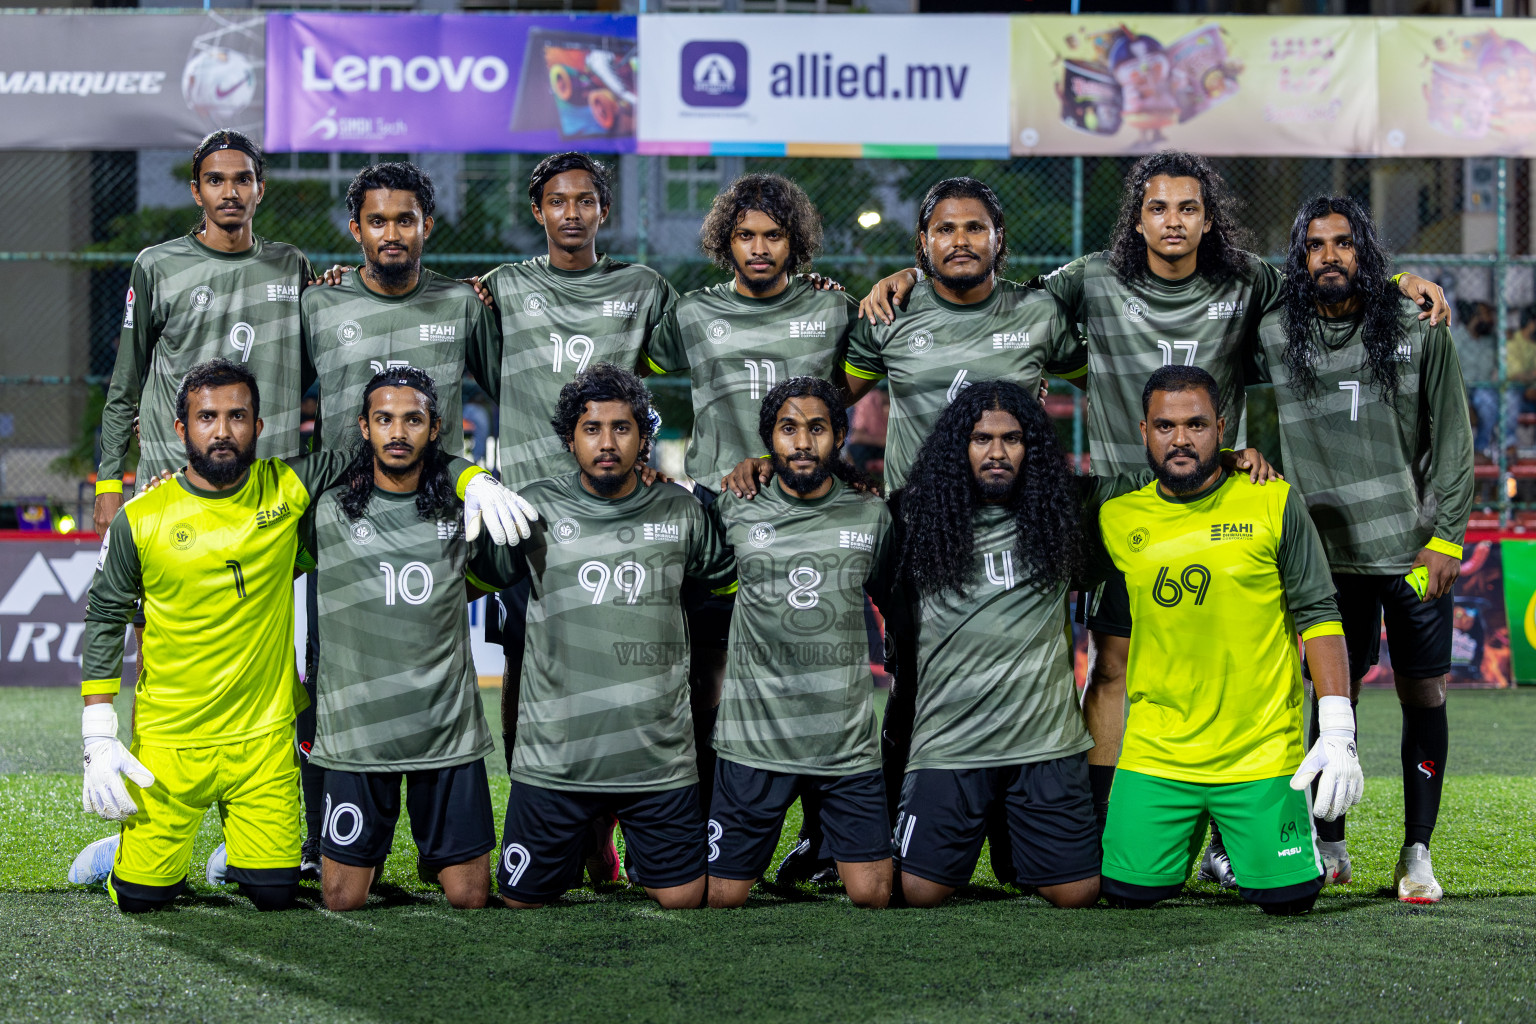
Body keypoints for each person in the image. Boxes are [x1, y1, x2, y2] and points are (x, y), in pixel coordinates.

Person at [861, 150, 1446, 888]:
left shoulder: (1247, 279)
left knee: (1227, 665)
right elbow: (989, 292)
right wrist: (909, 278)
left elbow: (1325, 285)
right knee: (1110, 666)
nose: (1173, 222)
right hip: (1117, 508)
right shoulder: (1089, 279)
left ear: (1208, 218)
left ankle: (1231, 830)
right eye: (1159, 209)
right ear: (1137, 219)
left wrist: (1397, 282)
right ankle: (1100, 827)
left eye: (1188, 209)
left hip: (1214, 499)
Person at [722, 175, 1086, 884]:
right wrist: (777, 455)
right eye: (945, 230)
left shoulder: (1039, 315)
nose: (960, 241)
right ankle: (849, 839)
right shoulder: (889, 316)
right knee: (912, 689)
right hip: (921, 535)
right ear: (922, 243)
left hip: (1022, 536)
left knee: (1029, 678)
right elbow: (824, 404)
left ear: (998, 240)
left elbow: (1101, 375)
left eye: (974, 228)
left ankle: (1019, 844)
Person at [67, 359, 532, 911]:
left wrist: (471, 476)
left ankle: (236, 853)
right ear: (181, 429)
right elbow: (105, 615)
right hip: (176, 739)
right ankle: (117, 858)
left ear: (258, 427)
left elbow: (386, 453)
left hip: (267, 736)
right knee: (144, 899)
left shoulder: (287, 488)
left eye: (237, 416)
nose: (222, 430)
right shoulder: (145, 517)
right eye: (207, 417)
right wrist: (97, 733)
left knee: (276, 893)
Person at [1253, 197, 1473, 902]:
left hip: (1410, 553)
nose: (1329, 257)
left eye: (1344, 244)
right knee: (1328, 697)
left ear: (1366, 252)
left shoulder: (1416, 324)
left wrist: (1447, 537)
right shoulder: (1276, 330)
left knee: (1423, 692)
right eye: (1314, 246)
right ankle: (1331, 840)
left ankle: (1416, 852)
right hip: (1322, 556)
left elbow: (1455, 437)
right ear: (1300, 258)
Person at [470, 152, 678, 886]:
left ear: (603, 209)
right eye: (557, 201)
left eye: (585, 200)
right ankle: (553, 825)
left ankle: (613, 829)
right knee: (529, 675)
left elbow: (707, 348)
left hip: (622, 511)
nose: (571, 213)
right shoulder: (498, 290)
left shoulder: (644, 289)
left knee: (625, 677)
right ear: (538, 212)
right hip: (531, 524)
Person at [640, 173, 867, 824]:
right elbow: (636, 374)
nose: (759, 248)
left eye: (773, 236)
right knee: (706, 663)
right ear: (725, 242)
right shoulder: (692, 314)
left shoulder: (831, 310)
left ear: (795, 244)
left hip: (806, 508)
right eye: (746, 235)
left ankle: (824, 836)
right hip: (717, 508)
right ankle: (704, 815)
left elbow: (848, 392)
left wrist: (795, 455)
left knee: (810, 666)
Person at [1096, 365, 1362, 915]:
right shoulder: (1116, 516)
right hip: (1157, 753)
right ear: (1143, 432)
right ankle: (1203, 844)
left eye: (1196, 425)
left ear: (1222, 428)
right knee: (1126, 895)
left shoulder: (1273, 500)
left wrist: (1338, 728)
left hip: (1259, 754)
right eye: (1165, 427)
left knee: (1288, 901)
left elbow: (1319, 615)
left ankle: (1241, 843)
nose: (1181, 439)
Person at [296, 160, 500, 869]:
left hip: (439, 522)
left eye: (404, 220)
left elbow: (515, 384)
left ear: (426, 227)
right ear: (356, 229)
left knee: (435, 665)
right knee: (327, 681)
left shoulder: (462, 304)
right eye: (377, 221)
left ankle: (442, 832)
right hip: (343, 522)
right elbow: (273, 394)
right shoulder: (318, 305)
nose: (391, 233)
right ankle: (325, 840)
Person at [495, 364, 734, 910]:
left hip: (659, 762)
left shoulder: (680, 509)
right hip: (555, 763)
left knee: (684, 899)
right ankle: (592, 844)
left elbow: (731, 576)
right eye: (592, 429)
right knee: (520, 902)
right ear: (569, 439)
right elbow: (467, 576)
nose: (607, 443)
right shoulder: (534, 508)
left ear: (643, 437)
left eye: (622, 429)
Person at [891, 380, 1130, 910]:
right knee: (919, 893)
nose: (997, 453)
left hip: (1044, 743)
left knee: (1076, 895)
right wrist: (758, 468)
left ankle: (1017, 842)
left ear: (1033, 447)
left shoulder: (1068, 511)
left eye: (1012, 439)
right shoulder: (913, 517)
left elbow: (1155, 482)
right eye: (981, 439)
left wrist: (1228, 459)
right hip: (951, 742)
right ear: (960, 447)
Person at [299, 368, 522, 912]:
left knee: (470, 899)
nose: (398, 432)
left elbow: (490, 576)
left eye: (413, 419)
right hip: (358, 735)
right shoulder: (324, 511)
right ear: (364, 427)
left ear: (435, 427)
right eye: (384, 419)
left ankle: (434, 850)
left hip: (444, 731)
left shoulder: (463, 510)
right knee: (342, 900)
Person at [706, 377, 894, 909]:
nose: (803, 443)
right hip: (753, 741)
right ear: (770, 439)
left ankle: (821, 845)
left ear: (838, 436)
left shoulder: (870, 513)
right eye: (789, 429)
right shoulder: (735, 506)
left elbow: (891, 598)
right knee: (722, 898)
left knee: (873, 896)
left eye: (817, 429)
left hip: (843, 744)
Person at [94, 130, 322, 537]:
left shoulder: (292, 265)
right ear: (197, 192)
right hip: (171, 477)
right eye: (216, 180)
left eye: (243, 180)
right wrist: (109, 483)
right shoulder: (157, 266)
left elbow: (300, 373)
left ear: (260, 189)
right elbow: (124, 383)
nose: (230, 191)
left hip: (263, 487)